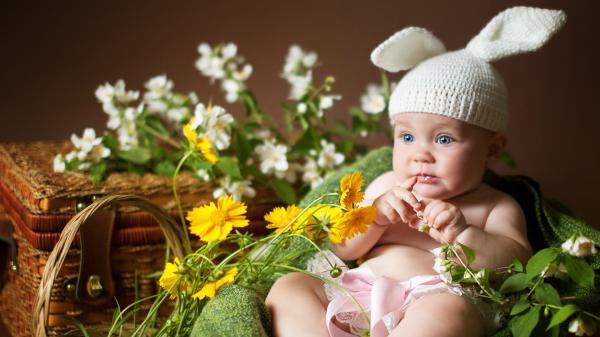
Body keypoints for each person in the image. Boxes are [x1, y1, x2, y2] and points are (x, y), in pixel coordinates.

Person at [266, 6, 566, 337]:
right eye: (407, 137)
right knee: (289, 287)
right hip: (358, 291)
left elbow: (514, 264)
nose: (421, 154)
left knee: (448, 313)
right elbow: (342, 247)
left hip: (436, 298)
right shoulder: (386, 186)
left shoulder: (495, 205)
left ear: (491, 150)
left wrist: (463, 234)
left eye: (443, 138)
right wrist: (375, 217)